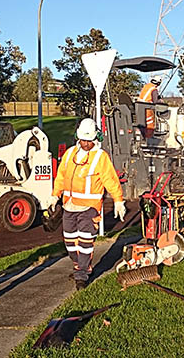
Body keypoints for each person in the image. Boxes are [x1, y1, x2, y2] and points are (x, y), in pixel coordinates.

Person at [48, 118, 126, 290]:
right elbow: (61, 176)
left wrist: (118, 200)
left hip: (89, 208)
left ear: (95, 139)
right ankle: (79, 266)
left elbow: (111, 181)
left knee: (85, 242)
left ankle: (82, 275)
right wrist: (55, 196)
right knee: (70, 242)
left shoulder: (100, 157)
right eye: (83, 140)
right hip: (69, 206)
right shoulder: (69, 154)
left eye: (88, 141)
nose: (85, 143)